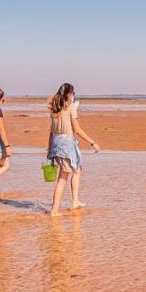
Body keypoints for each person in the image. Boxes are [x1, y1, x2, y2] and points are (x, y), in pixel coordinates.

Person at [45, 83, 100, 216]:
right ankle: (54, 211)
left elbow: (51, 133)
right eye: (73, 93)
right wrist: (93, 142)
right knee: (62, 178)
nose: (74, 96)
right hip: (66, 145)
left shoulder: (54, 109)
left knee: (78, 169)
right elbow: (77, 129)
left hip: (57, 144)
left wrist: (49, 149)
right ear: (69, 95)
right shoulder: (70, 108)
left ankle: (75, 200)